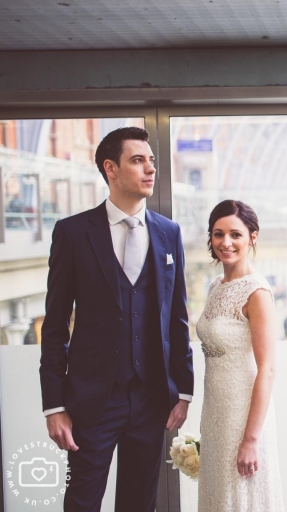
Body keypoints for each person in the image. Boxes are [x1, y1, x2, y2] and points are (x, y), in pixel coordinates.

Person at [40, 126, 194, 511]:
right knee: (82, 501)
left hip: (151, 398)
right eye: (137, 160)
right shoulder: (73, 233)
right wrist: (54, 405)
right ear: (111, 168)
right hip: (91, 401)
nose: (150, 169)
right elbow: (55, 324)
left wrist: (184, 391)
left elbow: (177, 317)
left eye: (152, 161)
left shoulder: (168, 233)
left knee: (140, 502)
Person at [197, 200, 284, 511]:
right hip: (215, 414)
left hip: (244, 419)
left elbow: (268, 370)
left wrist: (250, 440)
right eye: (218, 234)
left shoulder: (257, 293)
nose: (226, 242)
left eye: (235, 234)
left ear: (253, 237)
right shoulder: (215, 287)